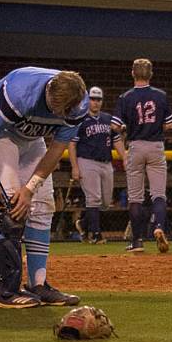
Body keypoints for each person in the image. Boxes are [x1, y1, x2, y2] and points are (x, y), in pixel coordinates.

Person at [0, 66, 87, 307]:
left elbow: (57, 148)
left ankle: (38, 283)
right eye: (56, 107)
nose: (60, 113)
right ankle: (0, 289)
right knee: (10, 208)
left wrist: (31, 188)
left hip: (32, 139)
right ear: (49, 92)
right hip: (0, 135)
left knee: (42, 207)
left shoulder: (78, 105)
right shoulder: (20, 93)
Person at [113, 58, 172, 254]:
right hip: (156, 146)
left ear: (133, 73)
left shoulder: (126, 97)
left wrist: (126, 126)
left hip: (136, 146)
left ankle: (137, 241)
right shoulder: (161, 95)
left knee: (135, 197)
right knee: (158, 194)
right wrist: (155, 126)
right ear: (150, 74)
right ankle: (158, 226)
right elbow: (170, 124)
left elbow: (115, 125)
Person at [69, 86, 116, 243]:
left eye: (98, 99)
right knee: (93, 198)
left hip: (106, 162)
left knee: (106, 202)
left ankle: (83, 223)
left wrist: (125, 157)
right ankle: (95, 235)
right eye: (93, 99)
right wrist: (75, 167)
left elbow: (117, 140)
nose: (95, 102)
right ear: (87, 100)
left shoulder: (108, 119)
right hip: (87, 161)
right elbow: (72, 144)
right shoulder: (80, 119)